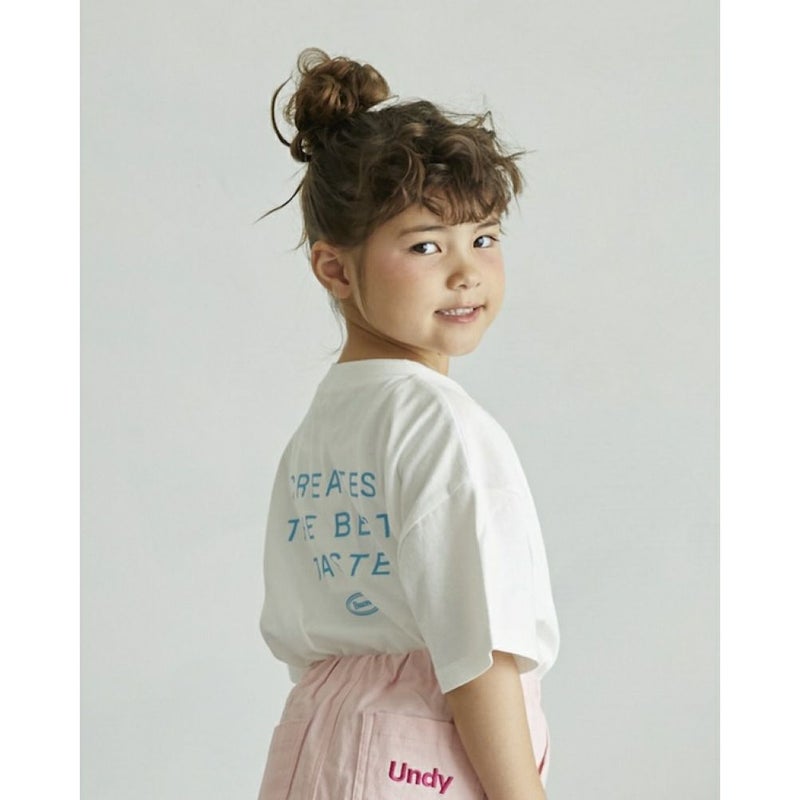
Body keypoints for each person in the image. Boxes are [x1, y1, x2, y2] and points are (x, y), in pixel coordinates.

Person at [256, 47, 560, 800]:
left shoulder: (325, 424)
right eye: (426, 244)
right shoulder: (442, 424)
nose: (466, 271)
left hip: (318, 744)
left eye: (483, 238)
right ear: (336, 269)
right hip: (419, 757)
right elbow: (479, 651)